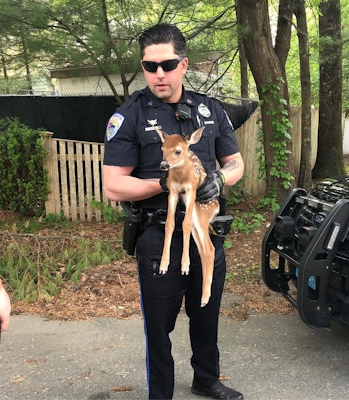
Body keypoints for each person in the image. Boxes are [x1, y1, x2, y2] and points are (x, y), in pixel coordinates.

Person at [103, 22, 244, 400]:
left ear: (184, 64)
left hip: (204, 230)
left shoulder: (210, 110)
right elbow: (113, 183)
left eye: (167, 65)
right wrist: (160, 184)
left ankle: (206, 378)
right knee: (159, 326)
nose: (159, 74)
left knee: (206, 311)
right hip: (157, 232)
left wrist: (220, 178)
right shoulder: (130, 115)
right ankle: (160, 394)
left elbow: (236, 162)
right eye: (150, 67)